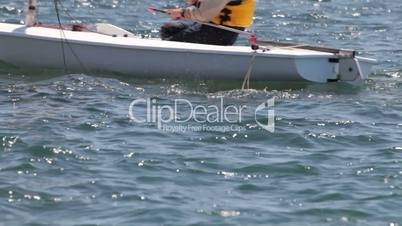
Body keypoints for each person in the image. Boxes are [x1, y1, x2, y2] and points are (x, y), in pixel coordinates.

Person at [161, 0, 256, 46]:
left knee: (170, 41)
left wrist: (183, 12)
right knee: (169, 28)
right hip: (211, 25)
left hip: (222, 32)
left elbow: (203, 14)